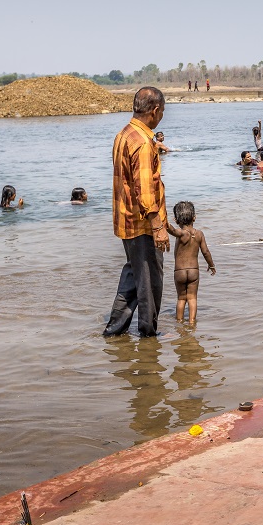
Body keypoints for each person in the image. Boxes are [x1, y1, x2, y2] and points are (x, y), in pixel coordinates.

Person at [103, 87, 170, 339]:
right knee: (150, 282)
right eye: (162, 111)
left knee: (133, 276)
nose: (161, 115)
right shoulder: (143, 142)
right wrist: (158, 226)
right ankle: (149, 335)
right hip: (142, 224)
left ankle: (114, 330)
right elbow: (144, 191)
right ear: (154, 110)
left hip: (126, 219)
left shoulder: (124, 134)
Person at [170, 201, 215, 324]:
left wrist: (162, 222)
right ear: (194, 218)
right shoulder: (199, 234)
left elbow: (173, 231)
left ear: (176, 220)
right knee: (192, 298)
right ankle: (192, 321)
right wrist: (211, 265)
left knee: (181, 299)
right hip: (194, 271)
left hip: (179, 272)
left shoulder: (181, 233)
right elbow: (206, 252)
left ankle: (179, 322)